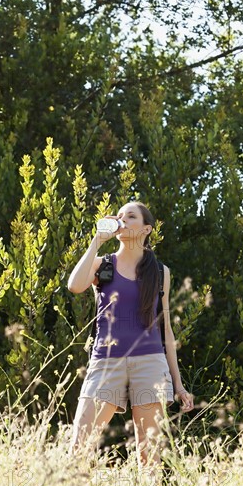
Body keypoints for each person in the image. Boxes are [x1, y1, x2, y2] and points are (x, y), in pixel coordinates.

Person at [67, 201, 194, 470]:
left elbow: (165, 330)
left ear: (146, 229)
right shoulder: (103, 264)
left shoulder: (161, 272)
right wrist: (96, 242)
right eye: (120, 216)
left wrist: (178, 385)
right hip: (106, 361)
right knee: (79, 447)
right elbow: (74, 286)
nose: (122, 220)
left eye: (131, 216)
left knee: (149, 456)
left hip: (150, 363)